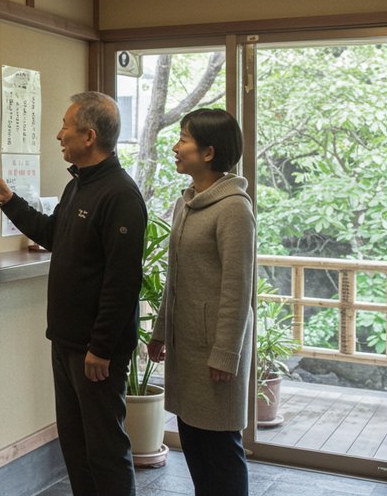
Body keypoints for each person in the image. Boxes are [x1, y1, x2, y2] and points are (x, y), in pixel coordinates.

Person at [0, 91, 147, 495]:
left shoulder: (121, 194)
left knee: (105, 449)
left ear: (89, 136)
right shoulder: (78, 186)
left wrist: (101, 347)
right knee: (75, 445)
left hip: (95, 350)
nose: (59, 135)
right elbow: (53, 234)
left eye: (65, 127)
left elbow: (123, 281)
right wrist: (9, 200)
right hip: (66, 341)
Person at [147, 108, 255, 496]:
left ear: (208, 152)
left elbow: (238, 289)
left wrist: (226, 353)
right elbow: (176, 278)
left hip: (215, 350)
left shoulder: (234, 208)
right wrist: (161, 332)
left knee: (221, 449)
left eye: (184, 140)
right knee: (194, 440)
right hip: (188, 346)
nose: (176, 148)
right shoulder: (187, 202)